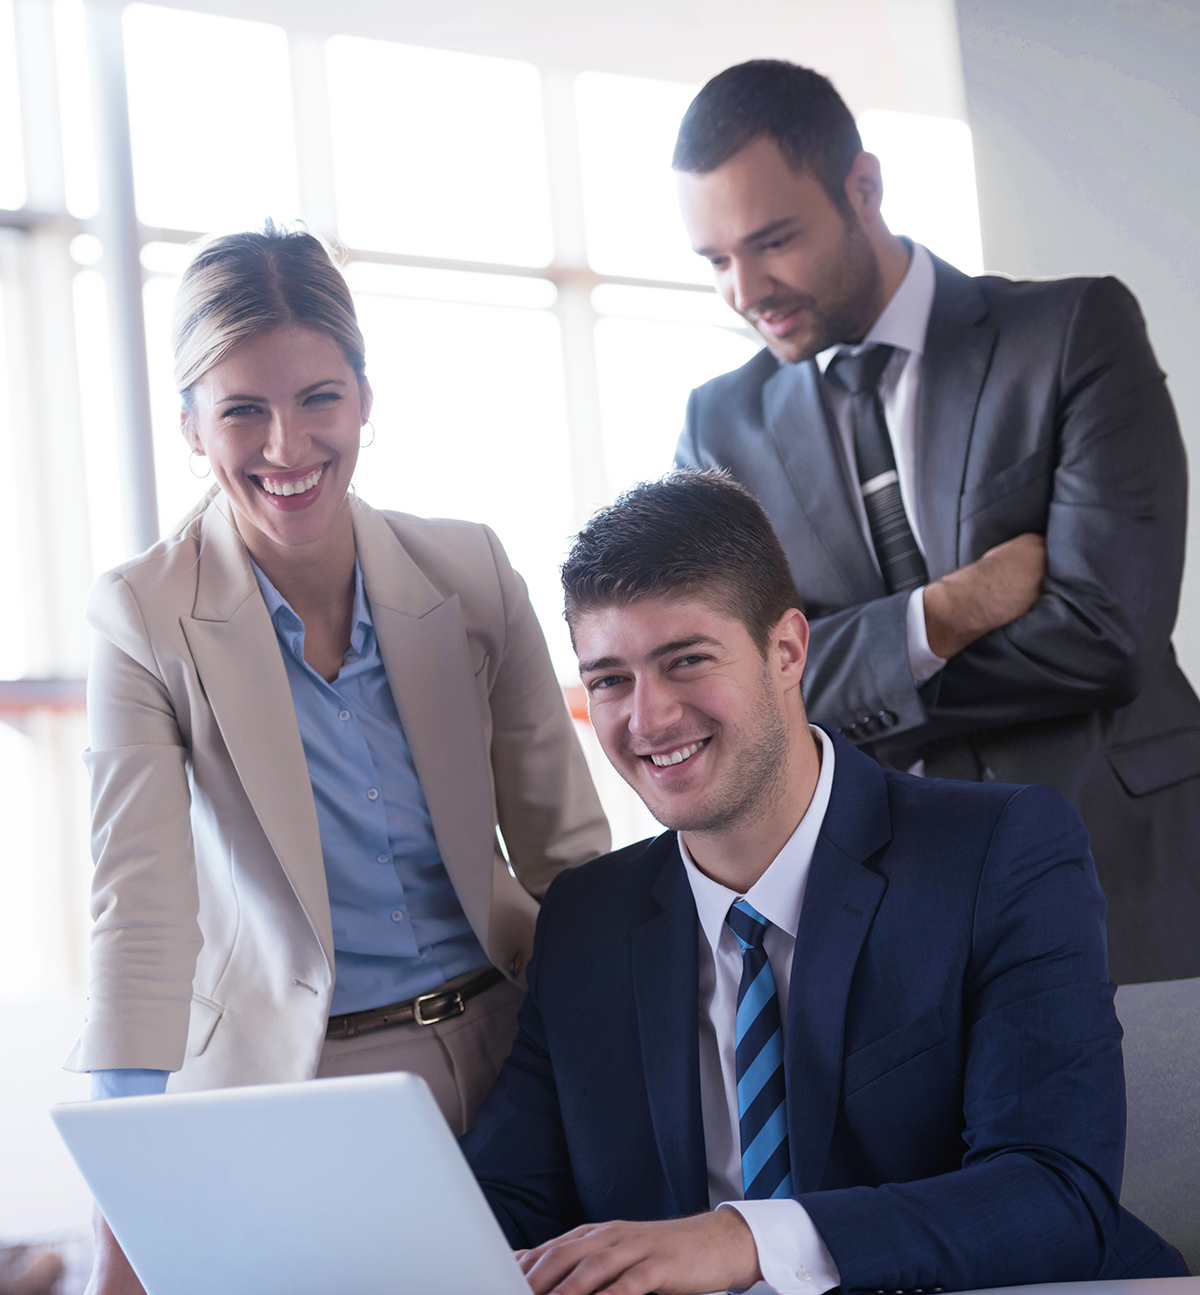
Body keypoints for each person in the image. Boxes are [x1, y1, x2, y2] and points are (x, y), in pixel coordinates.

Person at [462, 471, 1187, 1295]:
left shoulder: (1000, 851)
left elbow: (1056, 1192)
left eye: (687, 660)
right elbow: (505, 1199)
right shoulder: (587, 918)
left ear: (787, 650)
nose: (647, 718)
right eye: (609, 680)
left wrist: (746, 1240)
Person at [67, 224, 609, 1292]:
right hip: (304, 1080)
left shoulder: (469, 569)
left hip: (510, 1044)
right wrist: (122, 1202)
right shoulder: (144, 613)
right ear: (189, 424)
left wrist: (629, 1062)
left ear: (365, 396)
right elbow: (139, 916)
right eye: (240, 410)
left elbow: (569, 854)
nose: (287, 445)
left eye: (319, 396)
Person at [670, 60, 1200, 985]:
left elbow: (1108, 634)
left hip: (1133, 869)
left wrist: (833, 675)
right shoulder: (718, 426)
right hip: (896, 915)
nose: (745, 289)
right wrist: (942, 617)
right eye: (716, 261)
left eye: (774, 241)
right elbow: (730, 689)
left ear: (863, 188)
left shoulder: (1073, 330)